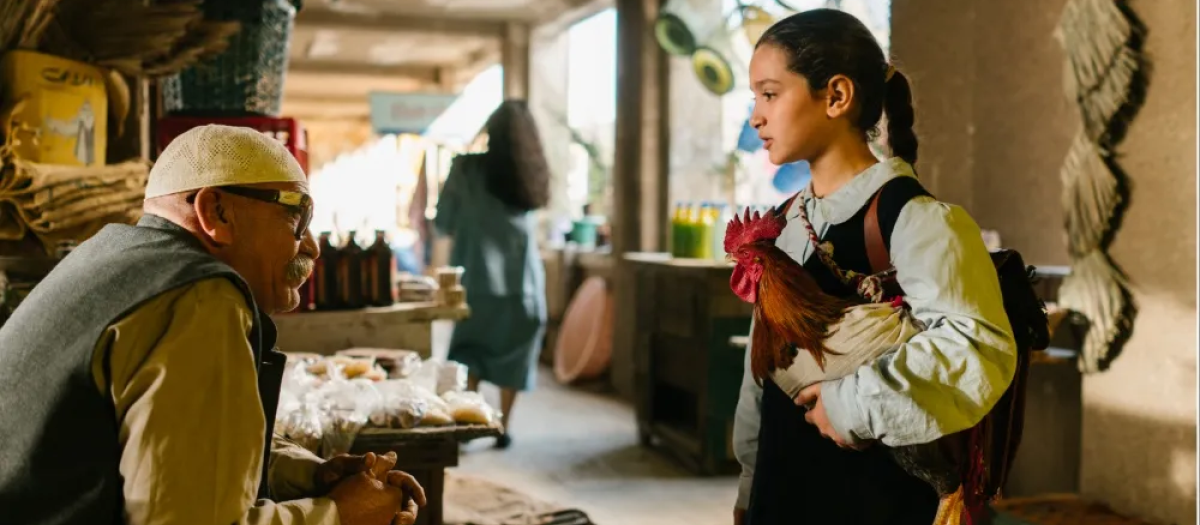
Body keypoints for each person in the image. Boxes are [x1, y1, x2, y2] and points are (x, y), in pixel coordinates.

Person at [0, 125, 426, 525]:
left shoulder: (108, 257)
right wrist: (339, 514)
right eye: (297, 216)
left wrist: (313, 475)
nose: (311, 246)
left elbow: (179, 453)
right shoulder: (201, 298)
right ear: (216, 212)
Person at [732, 9, 1017, 525]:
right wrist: (750, 481)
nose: (756, 116)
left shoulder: (915, 220)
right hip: (783, 489)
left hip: (873, 500)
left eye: (770, 94)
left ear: (836, 96)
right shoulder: (784, 224)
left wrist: (848, 407)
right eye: (755, 97)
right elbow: (763, 374)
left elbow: (977, 347)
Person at [434, 100, 550, 449]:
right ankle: (502, 425)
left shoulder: (466, 170)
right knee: (515, 357)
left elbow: (444, 222)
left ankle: (470, 423)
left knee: (470, 354)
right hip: (524, 286)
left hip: (478, 283)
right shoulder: (531, 174)